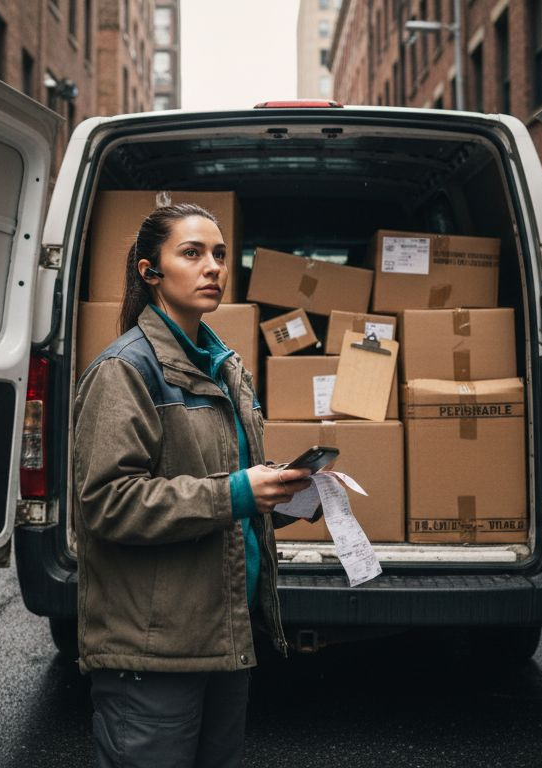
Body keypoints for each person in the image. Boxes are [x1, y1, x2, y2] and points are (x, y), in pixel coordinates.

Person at [72, 203, 313, 767]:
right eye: (192, 253)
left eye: (220, 255)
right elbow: (107, 502)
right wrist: (236, 493)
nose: (213, 268)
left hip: (223, 633)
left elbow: (219, 481)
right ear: (149, 271)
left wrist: (281, 494)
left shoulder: (220, 365)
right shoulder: (125, 370)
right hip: (155, 648)